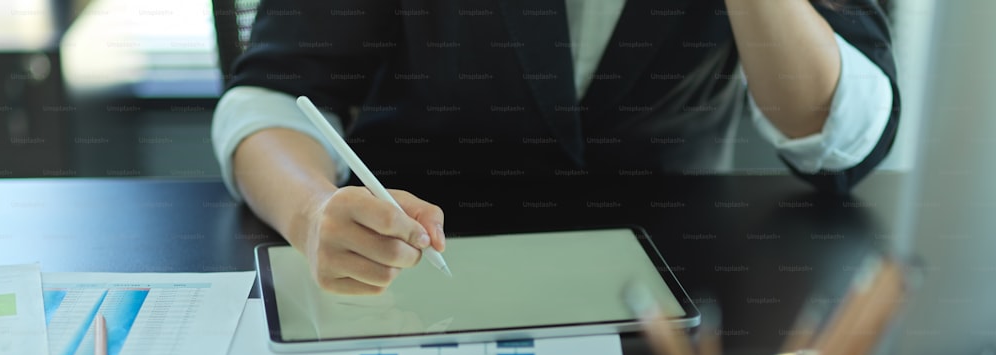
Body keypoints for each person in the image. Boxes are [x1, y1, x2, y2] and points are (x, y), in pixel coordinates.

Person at [212, 0, 899, 295]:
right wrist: (311, 212)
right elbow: (272, 92)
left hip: (678, 289)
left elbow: (839, 135)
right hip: (416, 273)